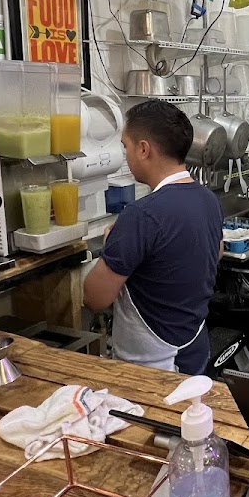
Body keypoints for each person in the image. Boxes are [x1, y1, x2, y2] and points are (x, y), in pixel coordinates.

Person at [84, 100, 224, 373]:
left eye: (125, 146)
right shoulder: (208, 198)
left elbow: (95, 298)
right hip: (194, 351)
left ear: (144, 149)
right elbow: (215, 253)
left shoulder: (140, 215)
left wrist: (114, 245)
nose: (126, 155)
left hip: (154, 368)